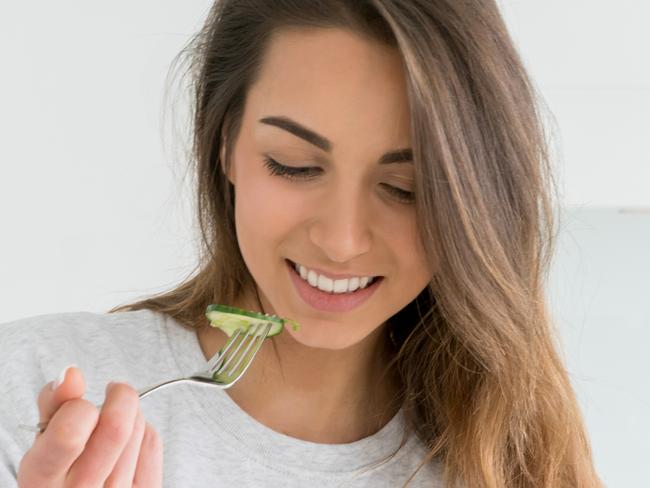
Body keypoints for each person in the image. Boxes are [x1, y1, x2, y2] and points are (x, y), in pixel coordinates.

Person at [0, 1, 605, 487]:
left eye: (405, 188)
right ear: (226, 144)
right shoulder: (26, 391)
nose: (341, 242)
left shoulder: (518, 466)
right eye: (292, 166)